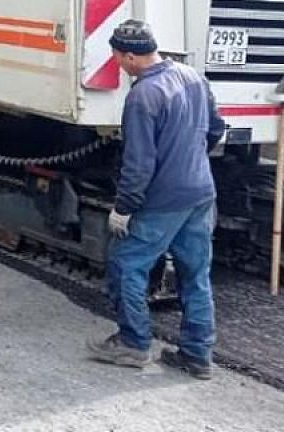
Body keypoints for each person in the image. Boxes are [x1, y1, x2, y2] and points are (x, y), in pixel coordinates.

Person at [87, 19, 226, 380]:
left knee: (127, 265)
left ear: (131, 56)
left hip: (163, 201)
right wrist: (190, 160)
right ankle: (197, 356)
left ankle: (134, 344)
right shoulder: (192, 76)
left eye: (117, 56)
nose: (117, 63)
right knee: (195, 275)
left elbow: (139, 163)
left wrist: (124, 208)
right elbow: (215, 129)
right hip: (200, 194)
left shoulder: (143, 96)